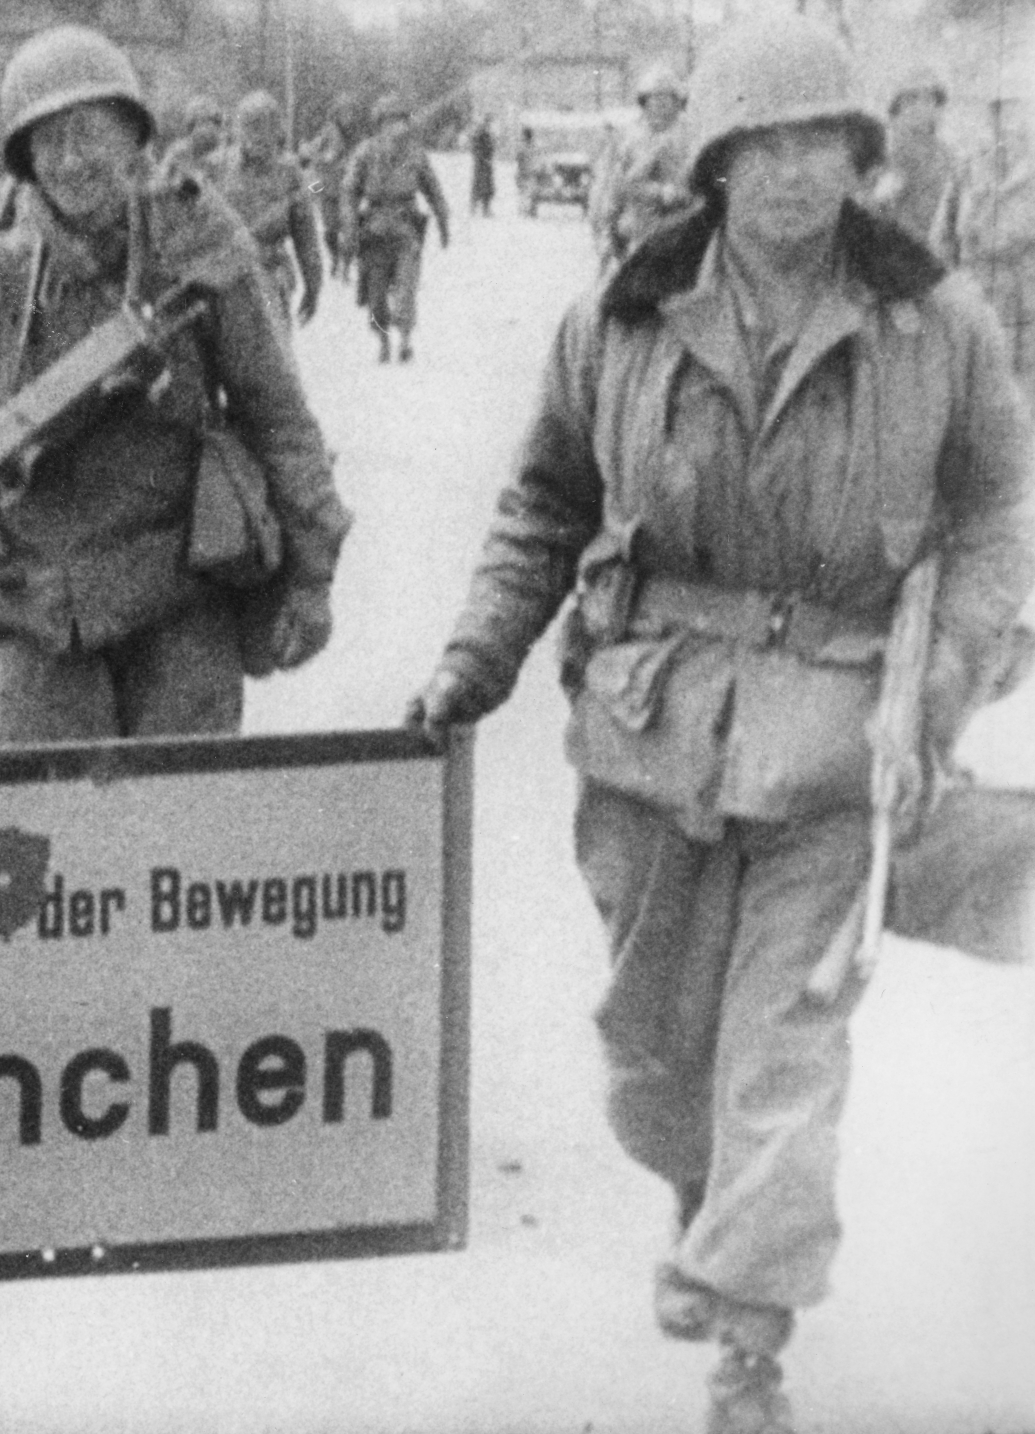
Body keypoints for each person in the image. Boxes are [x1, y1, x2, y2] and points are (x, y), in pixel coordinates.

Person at [405, 16, 1033, 1434]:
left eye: (827, 143)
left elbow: (996, 513)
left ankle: (750, 1350)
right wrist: (472, 661)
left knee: (785, 1043)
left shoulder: (936, 324)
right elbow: (542, 506)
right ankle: (705, 1197)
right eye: (770, 146)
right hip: (651, 728)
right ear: (717, 164)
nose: (800, 174)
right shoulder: (620, 321)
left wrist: (938, 691)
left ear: (860, 160)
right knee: (657, 1049)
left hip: (836, 736)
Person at [0, 25, 349, 746]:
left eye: (90, 132)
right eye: (48, 140)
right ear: (24, 160)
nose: (72, 159)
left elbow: (279, 418)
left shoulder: (198, 251)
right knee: (52, 831)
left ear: (133, 137)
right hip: (35, 606)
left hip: (178, 593)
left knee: (184, 833)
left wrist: (312, 574)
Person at [938, 88, 1035, 404]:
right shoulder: (969, 168)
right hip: (976, 298)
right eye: (999, 112)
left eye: (1016, 111)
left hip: (1026, 307)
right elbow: (943, 235)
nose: (1009, 123)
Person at [340, 92, 450, 364]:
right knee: (375, 298)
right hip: (374, 233)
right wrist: (350, 227)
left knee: (406, 290)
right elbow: (349, 191)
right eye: (391, 120)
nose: (397, 126)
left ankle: (405, 340)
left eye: (401, 119)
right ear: (379, 124)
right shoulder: (365, 153)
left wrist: (444, 221)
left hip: (406, 229)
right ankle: (383, 341)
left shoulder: (416, 154)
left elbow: (434, 190)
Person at [212, 90, 322, 335]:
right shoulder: (217, 167)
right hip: (225, 279)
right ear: (238, 131)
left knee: (275, 345)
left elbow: (306, 236)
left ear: (277, 132)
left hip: (271, 272)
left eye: (267, 128)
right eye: (252, 127)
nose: (259, 136)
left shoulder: (289, 171)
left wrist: (313, 286)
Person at [591, 62, 693, 264]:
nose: (661, 104)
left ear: (678, 102)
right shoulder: (630, 140)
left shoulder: (690, 135)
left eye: (668, 98)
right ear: (644, 101)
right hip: (640, 227)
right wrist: (605, 234)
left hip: (685, 225)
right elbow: (615, 189)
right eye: (655, 97)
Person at [870, 66, 958, 248]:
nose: (919, 107)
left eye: (928, 100)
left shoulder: (946, 155)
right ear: (898, 107)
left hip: (934, 251)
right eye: (911, 100)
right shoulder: (888, 149)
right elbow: (876, 206)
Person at [303, 92, 363, 276]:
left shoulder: (358, 135)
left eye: (350, 113)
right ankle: (335, 258)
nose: (348, 117)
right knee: (329, 231)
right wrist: (324, 158)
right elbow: (310, 152)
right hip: (327, 187)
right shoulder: (328, 133)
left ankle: (345, 263)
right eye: (344, 113)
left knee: (350, 230)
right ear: (337, 114)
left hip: (350, 190)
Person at [159, 93, 224, 183]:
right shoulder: (177, 152)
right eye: (202, 123)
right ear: (191, 127)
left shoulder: (222, 155)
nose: (208, 129)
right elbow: (162, 179)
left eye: (213, 124)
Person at [468, 114, 497, 217]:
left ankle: (485, 209)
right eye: (488, 123)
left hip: (486, 164)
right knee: (480, 187)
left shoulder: (486, 134)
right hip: (481, 164)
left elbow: (490, 148)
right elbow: (476, 148)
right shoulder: (481, 134)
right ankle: (475, 208)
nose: (489, 126)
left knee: (486, 188)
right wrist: (483, 159)